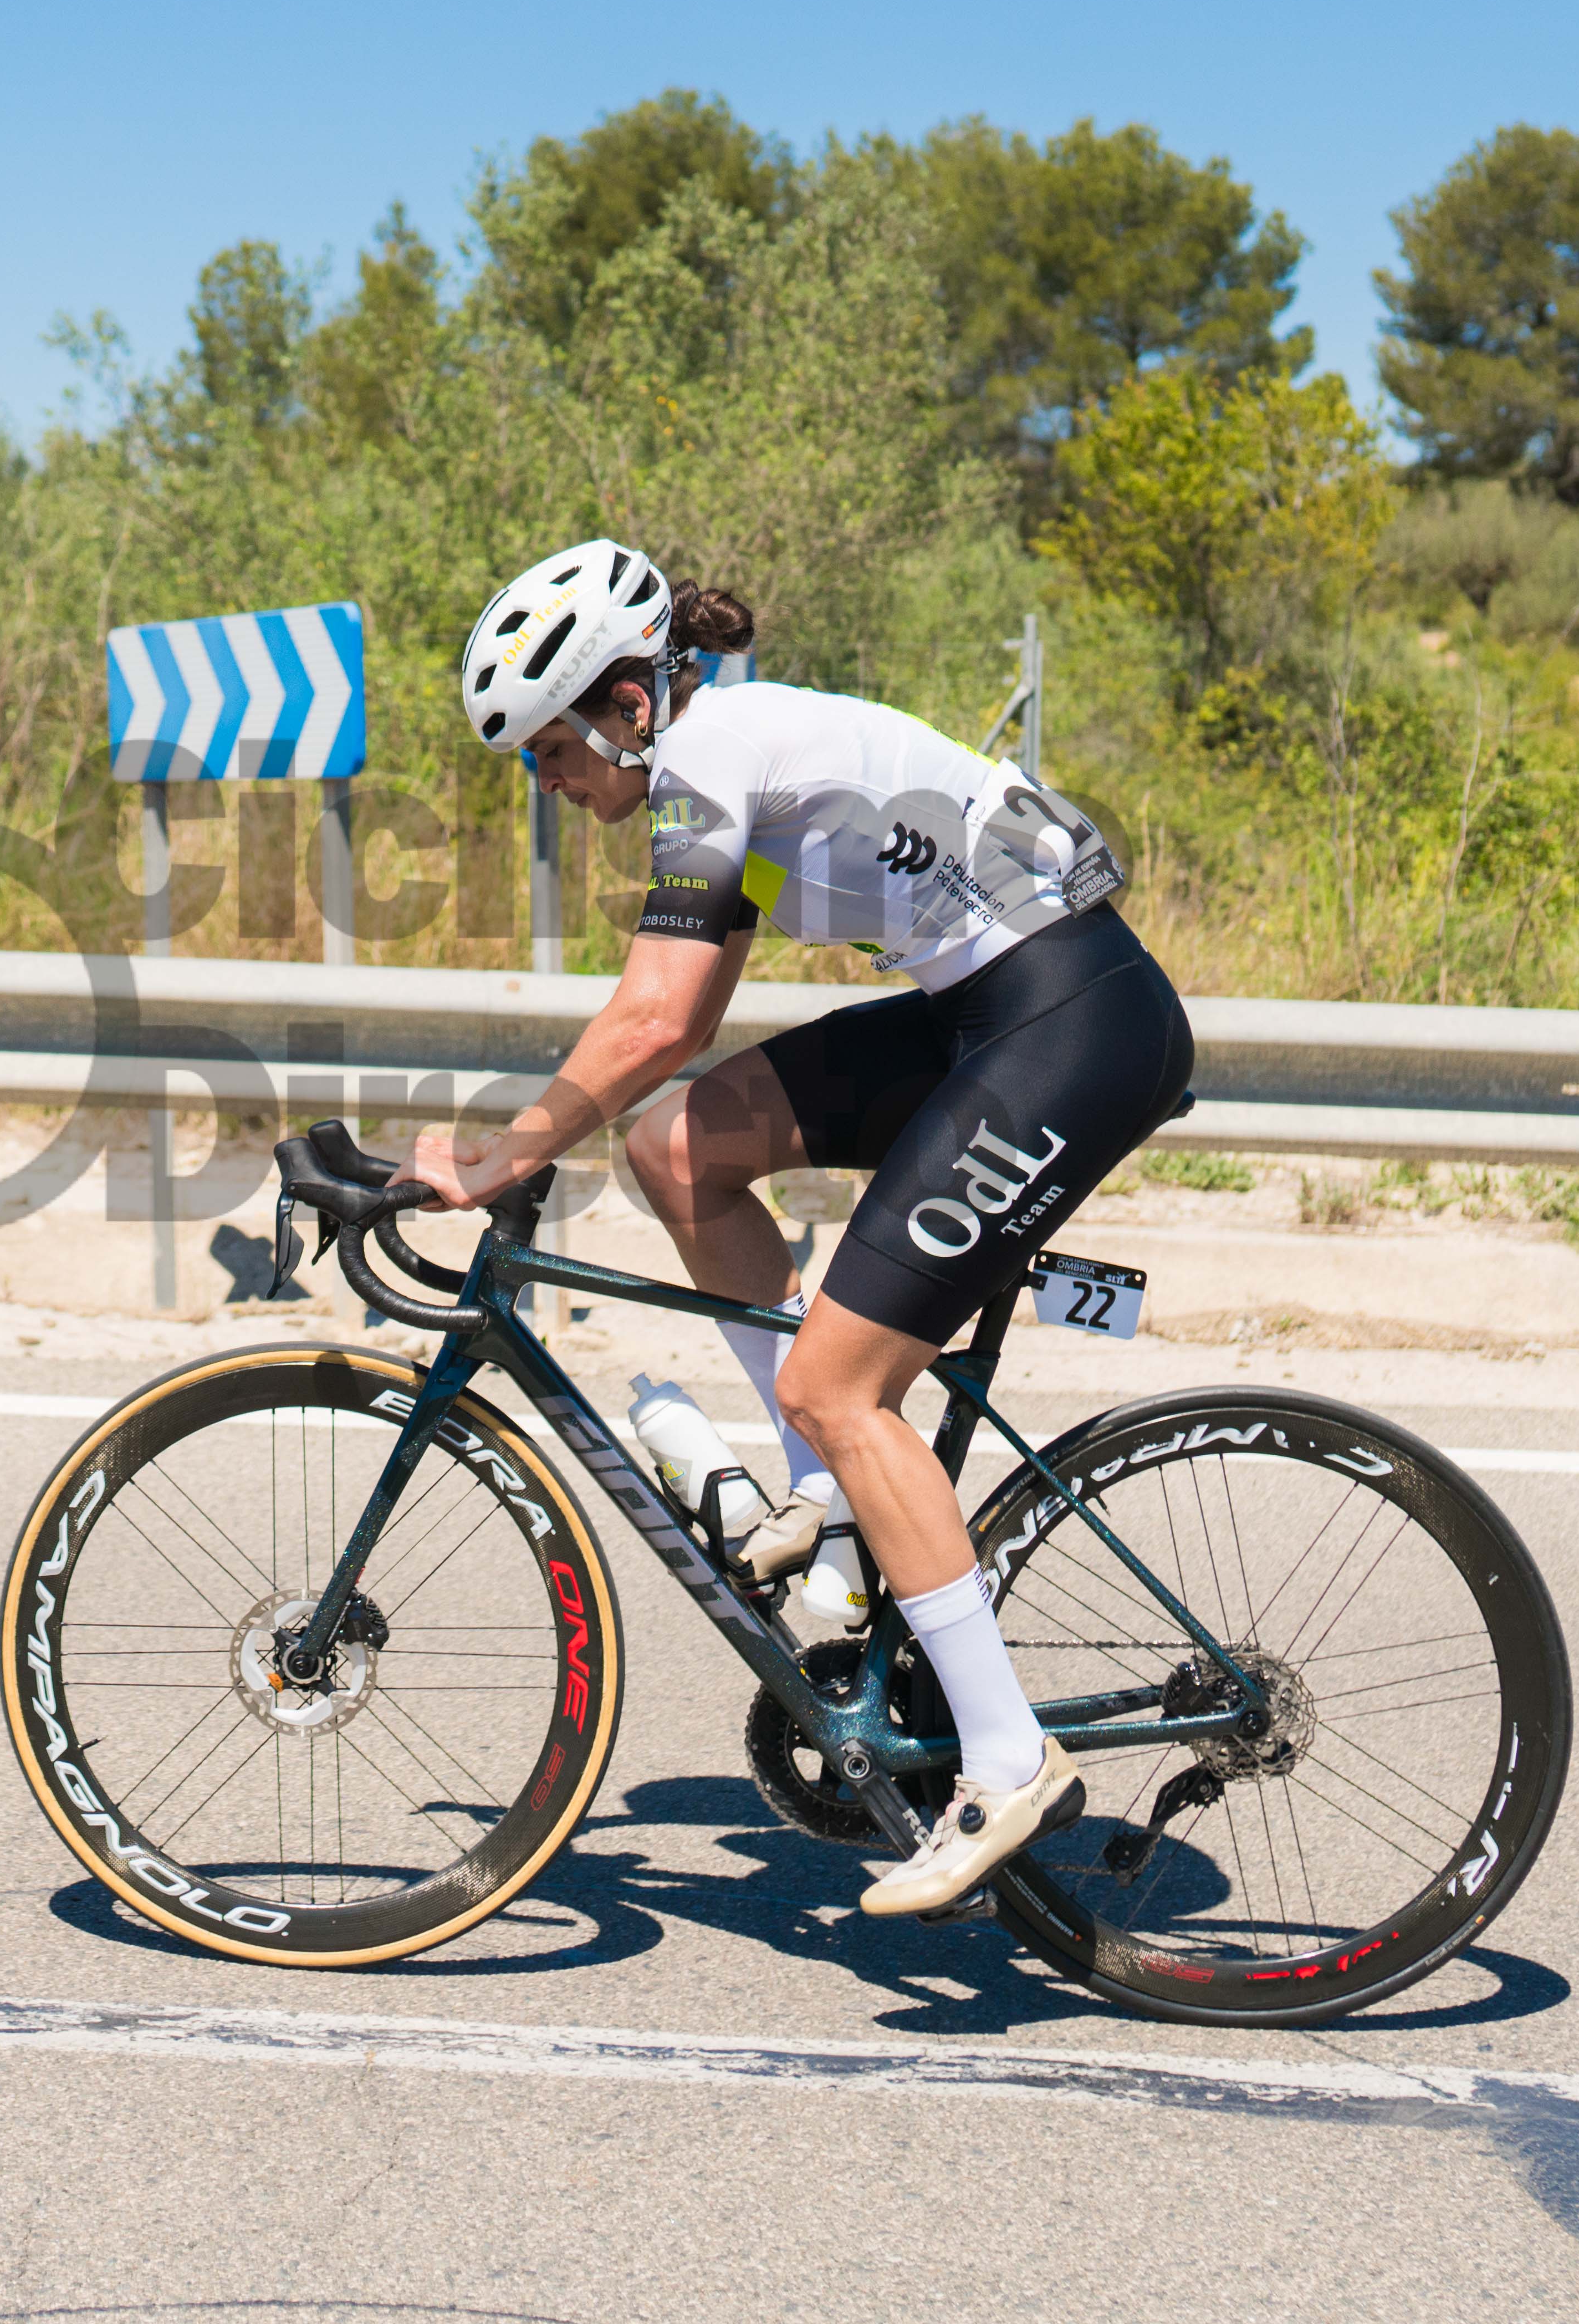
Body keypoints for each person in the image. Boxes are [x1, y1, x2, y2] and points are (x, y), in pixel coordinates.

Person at [396, 537, 1190, 1920]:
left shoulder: (714, 755)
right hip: (987, 1009)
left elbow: (659, 1014)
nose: (548, 782)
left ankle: (1009, 1761)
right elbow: (679, 1035)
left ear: (626, 705)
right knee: (679, 1145)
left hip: (1070, 1018)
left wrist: (502, 1155)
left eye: (550, 749)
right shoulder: (735, 765)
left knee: (839, 1381)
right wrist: (561, 1133)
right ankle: (827, 1499)